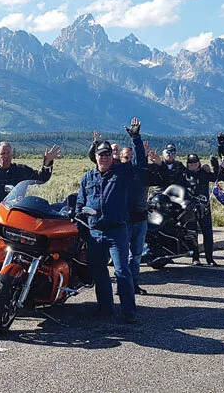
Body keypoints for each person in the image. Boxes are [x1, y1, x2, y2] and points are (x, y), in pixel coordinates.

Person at [76, 118, 146, 324]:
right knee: (99, 272)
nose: (104, 157)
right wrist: (79, 217)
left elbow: (140, 162)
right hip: (95, 231)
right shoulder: (87, 178)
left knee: (122, 271)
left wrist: (136, 138)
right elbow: (81, 202)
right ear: (95, 157)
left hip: (117, 231)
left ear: (111, 157)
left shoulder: (121, 172)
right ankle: (106, 308)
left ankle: (129, 311)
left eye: (108, 154)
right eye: (101, 154)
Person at [0, 141, 61, 251]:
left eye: (8, 153)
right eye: (2, 153)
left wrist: (47, 162)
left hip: (16, 220)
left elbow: (41, 178)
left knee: (18, 252)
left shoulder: (21, 170)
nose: (6, 156)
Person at [118, 146, 150, 295]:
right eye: (126, 157)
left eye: (132, 157)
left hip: (141, 219)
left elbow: (142, 161)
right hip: (125, 220)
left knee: (136, 255)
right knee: (122, 256)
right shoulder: (120, 173)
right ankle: (122, 286)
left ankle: (134, 284)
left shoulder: (142, 172)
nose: (129, 160)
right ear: (120, 158)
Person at [183, 154, 220, 266]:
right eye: (191, 163)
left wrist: (214, 164)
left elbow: (217, 177)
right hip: (190, 210)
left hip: (204, 209)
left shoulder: (204, 173)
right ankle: (195, 258)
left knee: (208, 234)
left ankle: (210, 258)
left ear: (199, 163)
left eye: (195, 162)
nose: (193, 165)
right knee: (193, 235)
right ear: (187, 164)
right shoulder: (184, 175)